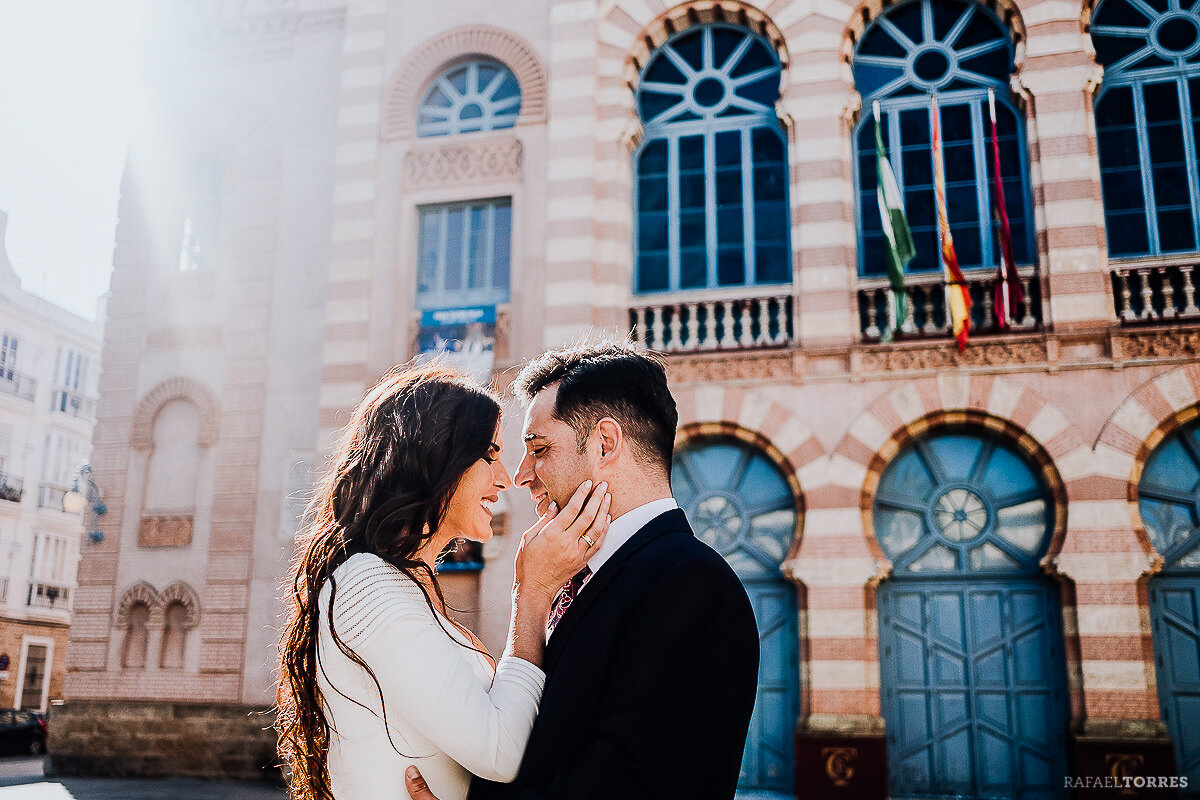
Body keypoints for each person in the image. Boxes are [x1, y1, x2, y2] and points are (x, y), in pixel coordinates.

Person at [405, 341, 761, 800]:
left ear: (605, 443)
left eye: (539, 448)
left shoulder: (691, 583)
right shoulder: (576, 576)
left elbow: (630, 787)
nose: (520, 474)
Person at [275, 363, 612, 800]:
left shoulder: (395, 584)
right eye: (490, 454)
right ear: (435, 458)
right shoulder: (366, 585)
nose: (506, 477)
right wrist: (531, 593)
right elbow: (501, 753)